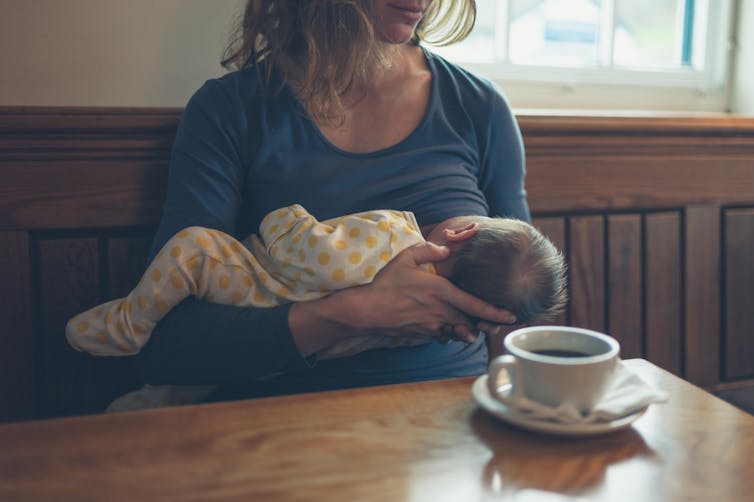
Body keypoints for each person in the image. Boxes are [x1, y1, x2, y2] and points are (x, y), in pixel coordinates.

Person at [128, 0, 532, 401]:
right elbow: (166, 346)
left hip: (453, 419)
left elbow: (522, 300)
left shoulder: (479, 107)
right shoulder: (231, 110)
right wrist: (356, 314)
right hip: (280, 426)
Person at [67, 204, 566, 360]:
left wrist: (285, 216)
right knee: (192, 388)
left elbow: (304, 253)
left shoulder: (396, 233)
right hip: (303, 361)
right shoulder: (428, 324)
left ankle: (127, 324)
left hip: (254, 288)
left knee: (194, 247)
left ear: (461, 232)